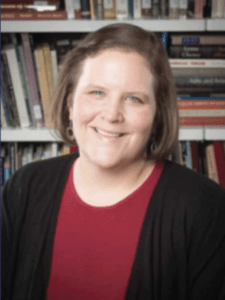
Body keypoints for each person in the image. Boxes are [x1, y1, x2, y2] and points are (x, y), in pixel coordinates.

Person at [2, 23, 225, 300]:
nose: (111, 115)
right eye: (97, 92)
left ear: (157, 115)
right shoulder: (24, 187)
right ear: (71, 103)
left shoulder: (205, 208)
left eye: (134, 99)